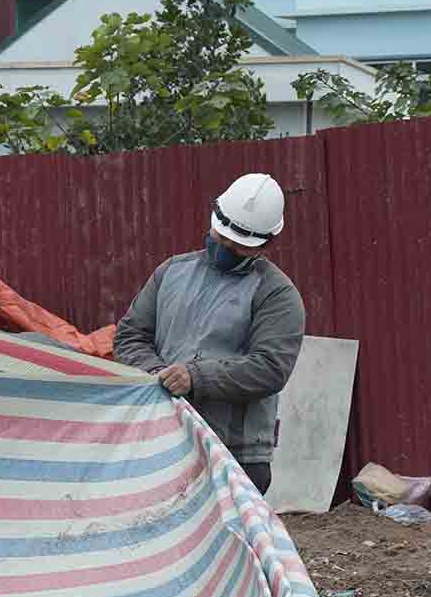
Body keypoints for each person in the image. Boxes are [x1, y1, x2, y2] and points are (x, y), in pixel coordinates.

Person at [113, 173, 305, 495]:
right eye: (222, 235)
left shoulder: (277, 294)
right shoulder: (171, 272)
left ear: (266, 244)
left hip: (236, 453)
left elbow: (270, 368)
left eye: (238, 245)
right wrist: (158, 373)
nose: (225, 246)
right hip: (164, 440)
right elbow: (129, 337)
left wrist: (196, 377)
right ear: (214, 217)